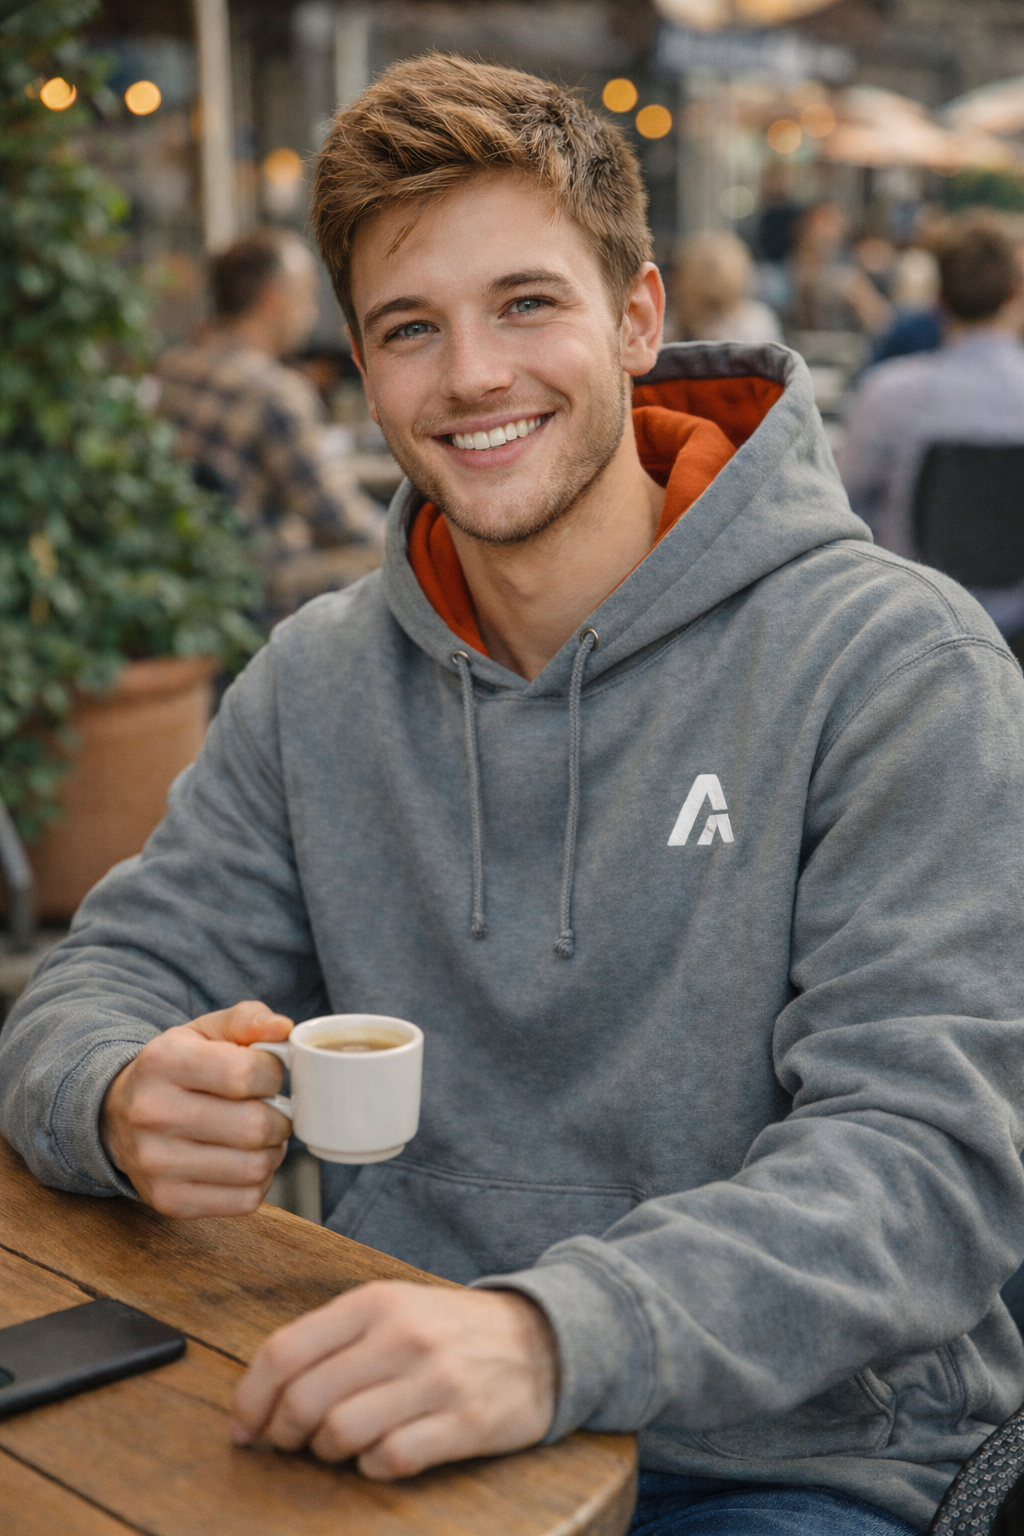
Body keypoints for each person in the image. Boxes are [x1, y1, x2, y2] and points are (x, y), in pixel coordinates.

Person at [3, 55, 1024, 1536]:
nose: (472, 375)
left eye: (526, 304)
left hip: (781, 1466)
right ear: (361, 372)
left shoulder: (896, 665)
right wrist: (115, 1092)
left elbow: (925, 1167)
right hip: (396, 1417)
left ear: (637, 319)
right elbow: (90, 983)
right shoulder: (317, 682)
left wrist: (548, 1338)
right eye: (411, 329)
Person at [155, 228, 383, 610]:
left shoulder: (174, 366)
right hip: (255, 588)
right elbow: (338, 517)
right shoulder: (272, 391)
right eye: (308, 296)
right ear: (273, 300)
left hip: (184, 575)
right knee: (396, 565)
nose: (311, 313)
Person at [840, 220, 1024, 645]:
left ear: (937, 298)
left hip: (910, 629)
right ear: (1015, 293)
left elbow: (844, 505)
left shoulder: (888, 395)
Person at [673, 230, 782, 345]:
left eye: (714, 271)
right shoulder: (676, 324)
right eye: (703, 271)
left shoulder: (757, 322)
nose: (710, 282)